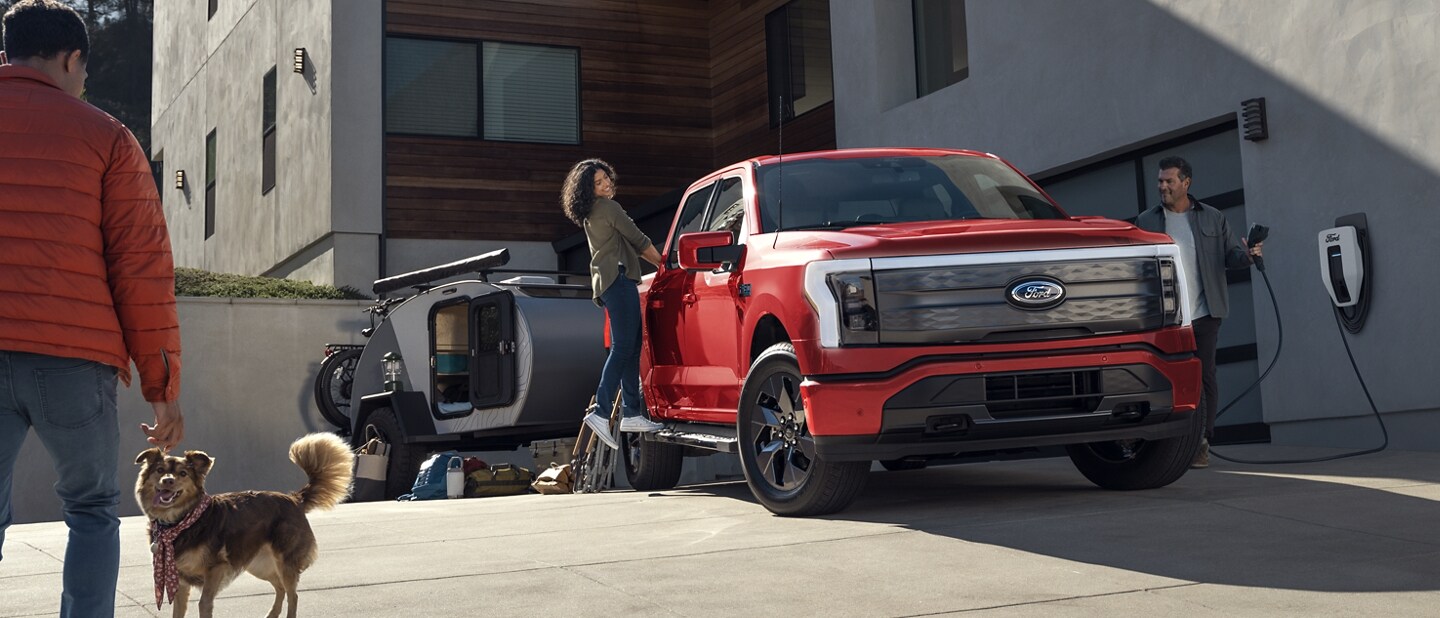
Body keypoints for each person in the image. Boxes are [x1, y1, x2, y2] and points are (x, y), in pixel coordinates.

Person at [0, 1, 185, 615]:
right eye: (84, 69)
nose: (84, 83)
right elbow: (141, 268)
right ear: (71, 57)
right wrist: (161, 387)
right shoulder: (106, 136)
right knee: (91, 511)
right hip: (72, 357)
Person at [1135, 156, 1261, 469]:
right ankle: (1156, 441)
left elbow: (1230, 256)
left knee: (1205, 377)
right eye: (1160, 181)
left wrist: (1248, 255)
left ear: (1186, 183)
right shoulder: (1146, 221)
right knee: (1158, 377)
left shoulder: (1212, 218)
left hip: (1204, 314)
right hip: (1165, 319)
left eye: (1169, 181)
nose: (1162, 186)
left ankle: (1201, 442)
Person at [561, 159, 664, 449]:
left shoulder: (591, 212)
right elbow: (638, 240)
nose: (606, 184)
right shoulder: (608, 208)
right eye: (598, 182)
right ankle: (601, 410)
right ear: (588, 189)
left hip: (609, 283)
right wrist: (665, 265)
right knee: (623, 347)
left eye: (606, 178)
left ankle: (632, 412)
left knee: (630, 346)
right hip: (617, 281)